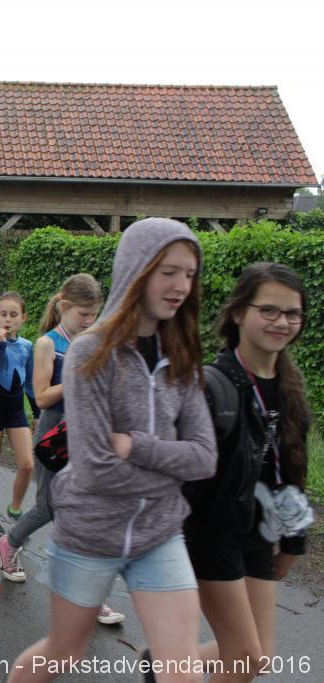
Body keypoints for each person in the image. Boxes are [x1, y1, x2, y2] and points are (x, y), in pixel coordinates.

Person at [10, 217, 217, 683]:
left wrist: (136, 446)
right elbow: (96, 469)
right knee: (63, 654)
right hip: (90, 532)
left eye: (189, 274)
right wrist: (172, 467)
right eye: (168, 272)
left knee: (182, 671)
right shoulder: (90, 352)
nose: (181, 285)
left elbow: (205, 457)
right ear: (136, 270)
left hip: (159, 532)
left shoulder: (183, 355)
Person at [182, 263, 312, 681]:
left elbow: (292, 472)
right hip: (212, 534)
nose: (282, 322)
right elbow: (186, 478)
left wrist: (292, 540)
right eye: (268, 310)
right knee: (244, 657)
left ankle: (167, 661)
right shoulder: (212, 385)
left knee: (259, 656)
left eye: (292, 313)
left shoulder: (290, 387)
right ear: (239, 312)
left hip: (259, 535)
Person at [0, 275, 123, 625]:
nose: (90, 321)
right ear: (64, 307)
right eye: (84, 314)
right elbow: (42, 396)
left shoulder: (94, 340)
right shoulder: (47, 344)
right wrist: (80, 375)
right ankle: (9, 543)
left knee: (89, 513)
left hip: (88, 432)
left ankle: (93, 597)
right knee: (50, 506)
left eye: (94, 314)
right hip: (55, 434)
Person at [0, 292, 36, 532]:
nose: (8, 319)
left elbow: (29, 383)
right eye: (3, 314)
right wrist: (1, 346)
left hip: (16, 410)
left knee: (27, 464)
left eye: (14, 314)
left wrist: (37, 411)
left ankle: (14, 508)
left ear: (23, 318)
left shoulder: (27, 346)